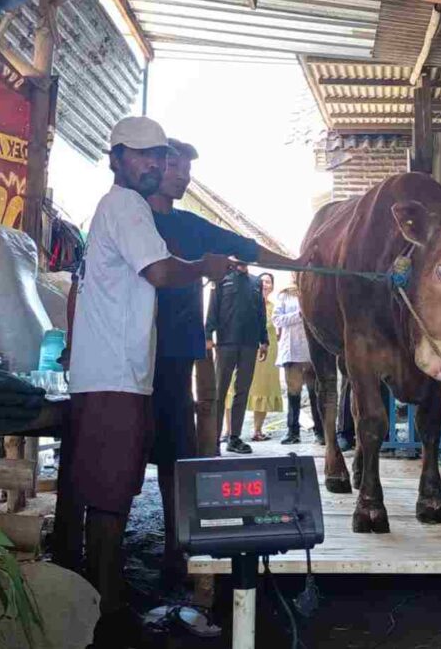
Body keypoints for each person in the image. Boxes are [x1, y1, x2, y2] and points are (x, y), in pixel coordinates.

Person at [65, 116, 231, 646]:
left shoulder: (116, 208)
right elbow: (160, 272)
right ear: (115, 158)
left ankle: (101, 595)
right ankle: (107, 610)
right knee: (112, 495)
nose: (152, 164)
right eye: (140, 155)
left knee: (108, 489)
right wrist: (205, 266)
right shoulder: (127, 207)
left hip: (113, 368)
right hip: (115, 372)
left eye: (158, 156)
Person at [142, 139, 308, 591]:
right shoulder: (127, 216)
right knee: (122, 459)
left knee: (177, 451)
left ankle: (176, 553)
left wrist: (297, 263)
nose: (182, 175)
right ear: (151, 164)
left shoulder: (190, 226)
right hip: (128, 356)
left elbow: (246, 247)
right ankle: (102, 568)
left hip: (175, 352)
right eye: (174, 165)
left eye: (187, 169)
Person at [207, 263, 268, 454]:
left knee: (242, 391)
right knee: (219, 391)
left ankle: (234, 438)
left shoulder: (256, 282)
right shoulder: (221, 279)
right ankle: (213, 439)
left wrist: (264, 339)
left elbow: (261, 313)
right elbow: (213, 308)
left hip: (249, 344)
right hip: (226, 343)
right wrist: (208, 335)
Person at [224, 272, 283, 442]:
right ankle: (229, 431)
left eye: (269, 282)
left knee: (263, 390)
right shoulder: (247, 302)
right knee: (232, 388)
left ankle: (257, 430)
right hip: (245, 349)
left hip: (267, 355)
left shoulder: (275, 307)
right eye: (262, 281)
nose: (265, 284)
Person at [272, 278, 321, 445]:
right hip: (292, 349)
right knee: (294, 392)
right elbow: (277, 319)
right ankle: (293, 431)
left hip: (310, 349)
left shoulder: (313, 289)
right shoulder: (285, 295)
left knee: (315, 391)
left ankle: (320, 431)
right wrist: (299, 315)